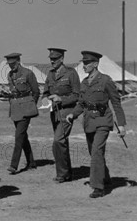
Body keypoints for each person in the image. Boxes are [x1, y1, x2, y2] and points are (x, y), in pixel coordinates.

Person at [66, 51, 126, 198]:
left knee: (96, 152)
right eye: (83, 63)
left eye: (86, 63)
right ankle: (105, 178)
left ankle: (98, 187)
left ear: (95, 64)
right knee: (94, 152)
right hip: (89, 122)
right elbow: (81, 103)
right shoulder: (84, 83)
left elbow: (116, 103)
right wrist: (73, 114)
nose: (84, 66)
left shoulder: (106, 80)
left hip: (103, 120)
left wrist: (122, 124)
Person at [43, 48, 81, 183]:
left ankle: (62, 174)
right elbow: (46, 91)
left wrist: (61, 99)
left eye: (55, 59)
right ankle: (67, 173)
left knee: (58, 141)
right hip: (54, 113)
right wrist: (46, 99)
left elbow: (77, 95)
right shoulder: (50, 74)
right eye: (51, 59)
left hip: (67, 112)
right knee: (62, 142)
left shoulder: (71, 73)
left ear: (62, 59)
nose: (52, 61)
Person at [5, 53, 40, 174]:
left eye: (13, 64)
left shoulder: (28, 73)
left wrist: (30, 105)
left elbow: (36, 91)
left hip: (26, 109)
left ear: (19, 61)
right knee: (23, 136)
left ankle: (13, 165)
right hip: (15, 109)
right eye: (9, 64)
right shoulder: (10, 75)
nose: (11, 67)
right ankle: (31, 162)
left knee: (18, 136)